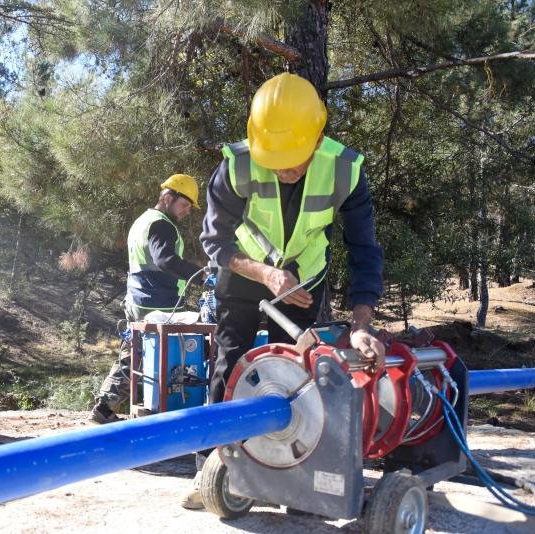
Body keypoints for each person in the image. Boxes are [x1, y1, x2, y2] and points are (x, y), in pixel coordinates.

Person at [182, 72, 386, 509]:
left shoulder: (345, 170)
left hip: (303, 280)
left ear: (317, 140)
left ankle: (286, 470)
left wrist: (361, 324)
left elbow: (364, 250)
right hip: (242, 272)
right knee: (231, 362)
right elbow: (215, 242)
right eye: (275, 158)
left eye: (294, 158)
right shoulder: (236, 165)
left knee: (295, 370)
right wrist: (266, 274)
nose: (284, 168)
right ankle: (211, 468)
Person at [89, 174, 208, 424]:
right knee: (173, 357)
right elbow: (165, 260)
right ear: (167, 198)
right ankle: (170, 412)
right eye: (184, 205)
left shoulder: (143, 221)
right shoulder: (162, 224)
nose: (187, 212)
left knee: (132, 356)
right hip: (157, 301)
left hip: (138, 297)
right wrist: (200, 276)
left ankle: (104, 408)